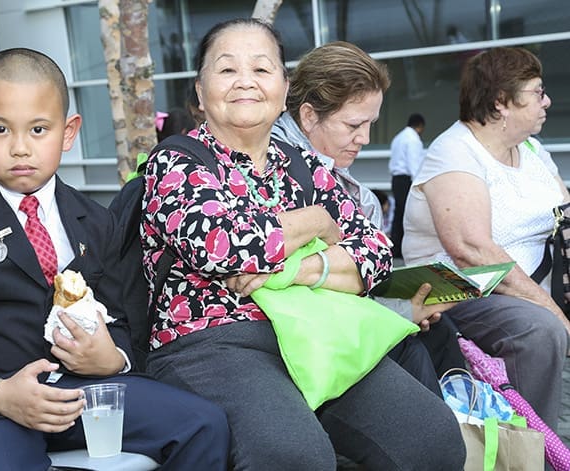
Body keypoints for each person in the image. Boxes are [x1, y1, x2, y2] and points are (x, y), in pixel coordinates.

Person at [0, 47, 229, 471]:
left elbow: (122, 321)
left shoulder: (96, 220)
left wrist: (112, 358)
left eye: (39, 130)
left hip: (81, 394)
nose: (20, 147)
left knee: (203, 424)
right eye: (0, 129)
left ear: (69, 132)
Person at [141, 19, 465, 470]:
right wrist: (317, 221)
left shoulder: (302, 165)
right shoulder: (176, 161)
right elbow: (222, 247)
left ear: (283, 86)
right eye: (227, 70)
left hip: (316, 331)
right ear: (199, 91)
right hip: (214, 342)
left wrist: (300, 268)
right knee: (295, 456)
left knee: (433, 438)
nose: (246, 82)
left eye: (261, 69)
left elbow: (373, 252)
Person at [272, 41, 465, 383]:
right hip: (303, 335)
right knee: (421, 348)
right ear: (308, 115)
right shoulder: (274, 163)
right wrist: (403, 312)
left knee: (441, 333)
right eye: (353, 125)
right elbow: (322, 299)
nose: (365, 138)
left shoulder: (347, 187)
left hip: (335, 317)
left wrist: (406, 307)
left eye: (371, 123)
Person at [403, 46, 570, 433]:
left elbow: (565, 216)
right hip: (458, 291)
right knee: (540, 329)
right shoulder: (455, 152)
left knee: (541, 320)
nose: (547, 101)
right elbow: (473, 252)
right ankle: (529, 452)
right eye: (537, 92)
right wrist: (554, 311)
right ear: (501, 103)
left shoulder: (530, 148)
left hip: (524, 285)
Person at [389, 112, 425, 258]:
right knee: (408, 215)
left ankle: (395, 248)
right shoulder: (413, 139)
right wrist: (420, 184)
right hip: (406, 180)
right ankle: (405, 249)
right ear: (420, 126)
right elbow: (414, 164)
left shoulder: (399, 137)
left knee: (399, 214)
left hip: (396, 179)